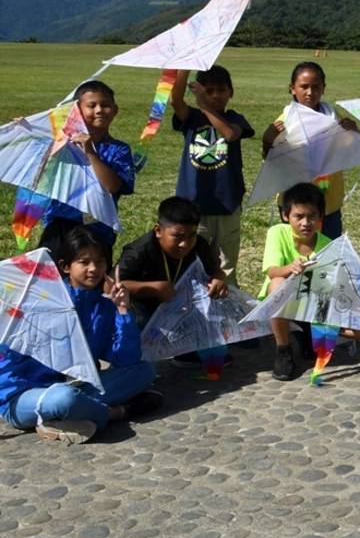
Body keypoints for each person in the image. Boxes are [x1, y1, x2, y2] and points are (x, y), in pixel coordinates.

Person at [0, 227, 160, 444]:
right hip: (22, 396)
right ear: (66, 266)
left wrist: (123, 312)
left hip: (72, 387)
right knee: (63, 399)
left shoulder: (103, 307)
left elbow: (127, 359)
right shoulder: (38, 302)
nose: (93, 269)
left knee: (145, 370)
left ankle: (66, 417)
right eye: (84, 262)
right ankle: (115, 413)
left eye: (100, 262)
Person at [169, 64, 255, 288]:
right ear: (198, 90)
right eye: (209, 91)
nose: (216, 95)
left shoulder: (235, 118)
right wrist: (183, 68)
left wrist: (204, 106)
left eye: (221, 90)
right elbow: (175, 100)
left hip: (227, 205)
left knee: (226, 267)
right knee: (193, 264)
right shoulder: (192, 117)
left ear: (231, 92)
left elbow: (228, 134)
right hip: (194, 208)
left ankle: (227, 314)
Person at [261, 62, 358, 239]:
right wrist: (268, 140)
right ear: (292, 88)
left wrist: (353, 133)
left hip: (328, 205)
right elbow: (271, 160)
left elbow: (350, 152)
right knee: (298, 255)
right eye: (304, 87)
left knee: (327, 251)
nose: (310, 92)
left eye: (316, 87)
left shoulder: (333, 118)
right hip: (296, 205)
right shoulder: (285, 121)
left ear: (323, 88)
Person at [37, 80, 135, 254]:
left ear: (115, 110)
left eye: (105, 105)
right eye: (92, 105)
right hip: (59, 224)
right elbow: (39, 172)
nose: (99, 110)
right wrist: (27, 130)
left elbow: (113, 186)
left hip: (97, 227)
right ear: (77, 111)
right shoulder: (61, 144)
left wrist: (90, 152)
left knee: (92, 276)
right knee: (50, 276)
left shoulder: (119, 149)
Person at [117, 196, 226, 332]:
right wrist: (153, 288)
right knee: (138, 319)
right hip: (146, 306)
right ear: (158, 231)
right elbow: (110, 285)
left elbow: (216, 270)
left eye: (191, 235)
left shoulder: (199, 244)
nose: (184, 244)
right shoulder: (139, 251)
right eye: (177, 236)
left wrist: (219, 278)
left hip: (184, 305)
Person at [260, 182, 333, 381]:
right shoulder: (277, 233)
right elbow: (272, 271)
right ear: (286, 216)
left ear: (320, 217)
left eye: (311, 216)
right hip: (284, 297)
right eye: (298, 216)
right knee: (276, 283)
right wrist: (290, 269)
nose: (305, 223)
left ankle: (306, 333)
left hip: (311, 300)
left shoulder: (327, 243)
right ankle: (283, 349)